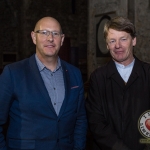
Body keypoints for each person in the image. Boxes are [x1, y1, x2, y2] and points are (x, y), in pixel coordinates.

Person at [0, 16, 87, 150]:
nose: (50, 38)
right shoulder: (13, 73)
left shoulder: (74, 74)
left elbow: (80, 119)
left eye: (55, 33)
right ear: (34, 37)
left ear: (62, 39)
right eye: (44, 33)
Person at [86, 16, 150, 150]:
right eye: (112, 40)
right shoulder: (98, 78)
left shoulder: (148, 74)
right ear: (107, 44)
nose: (117, 45)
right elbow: (95, 121)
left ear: (134, 41)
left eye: (123, 39)